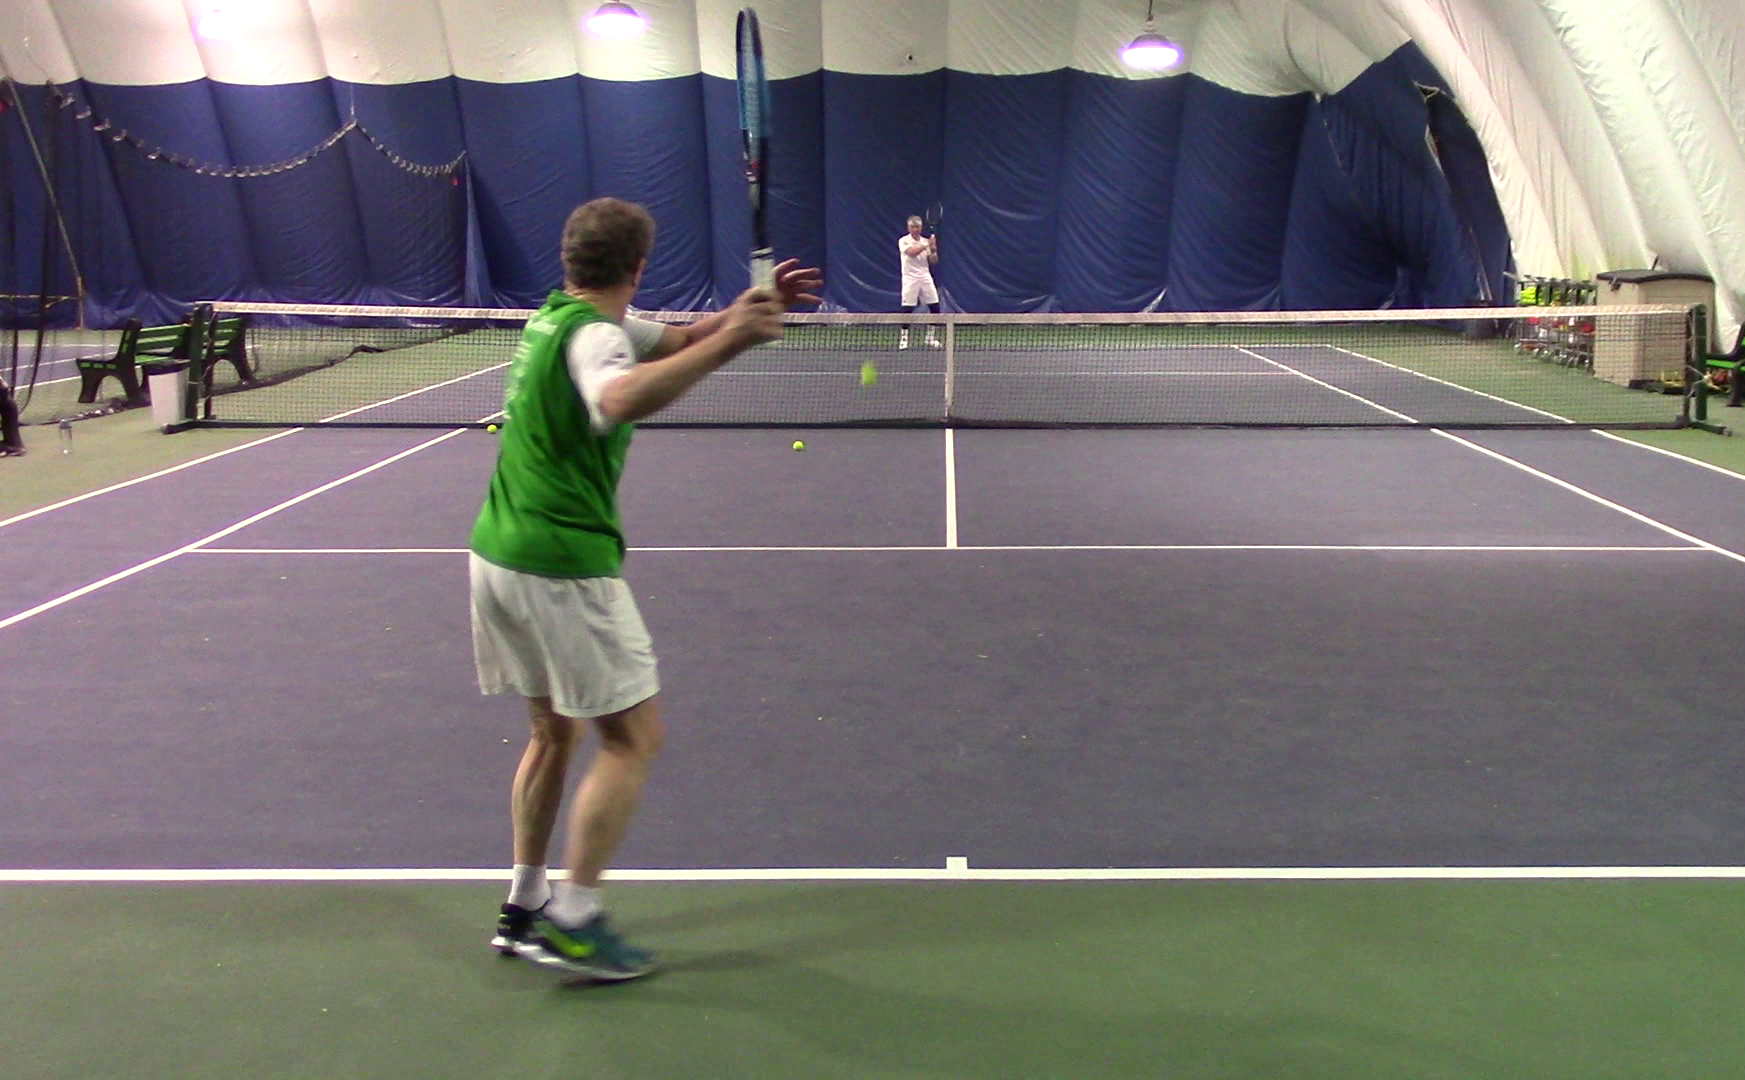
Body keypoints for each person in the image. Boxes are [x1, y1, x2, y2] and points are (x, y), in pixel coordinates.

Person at [468, 196, 822, 981]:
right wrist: (735, 337)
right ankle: (574, 920)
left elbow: (684, 339)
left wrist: (744, 313)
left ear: (571, 260)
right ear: (637, 266)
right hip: (560, 563)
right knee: (633, 738)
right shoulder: (597, 337)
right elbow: (618, 397)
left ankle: (523, 906)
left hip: (496, 556)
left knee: (552, 732)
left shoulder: (556, 320)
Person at [898, 214, 940, 349]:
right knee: (907, 309)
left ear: (921, 227)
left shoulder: (925, 241)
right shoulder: (903, 241)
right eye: (912, 227)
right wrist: (926, 244)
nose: (915, 229)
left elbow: (934, 261)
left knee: (935, 307)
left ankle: (930, 338)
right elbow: (912, 252)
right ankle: (904, 339)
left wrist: (933, 251)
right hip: (909, 278)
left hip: (925, 277)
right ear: (908, 228)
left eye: (917, 227)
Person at [0, 373, 23, 457]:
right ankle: (9, 447)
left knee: (15, 445)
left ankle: (9, 447)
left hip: (7, 403)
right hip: (6, 400)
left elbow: (4, 387)